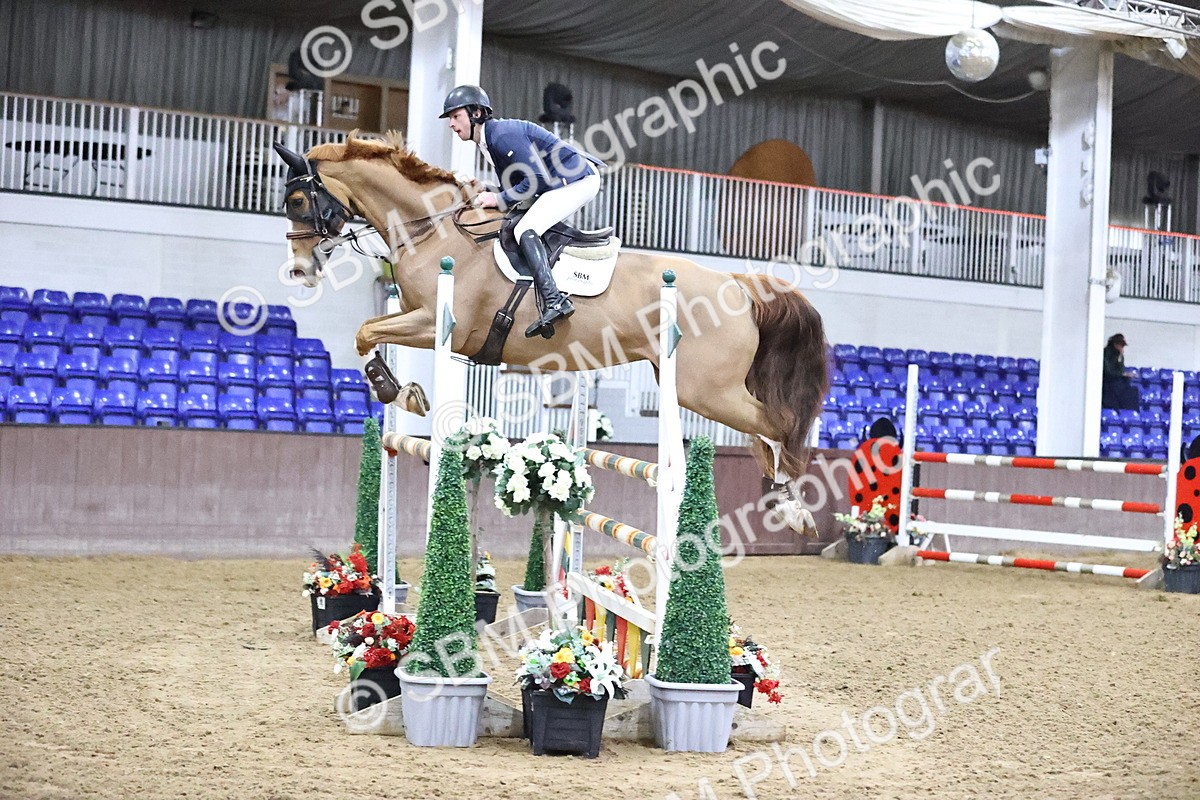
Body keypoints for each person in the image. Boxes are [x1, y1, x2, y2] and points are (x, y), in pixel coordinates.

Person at [441, 85, 604, 338]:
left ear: (475, 113)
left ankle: (555, 301)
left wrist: (497, 197)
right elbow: (517, 187)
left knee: (526, 229)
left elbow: (535, 180)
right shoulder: (489, 140)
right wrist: (488, 190)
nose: (451, 124)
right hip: (558, 181)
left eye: (455, 116)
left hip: (578, 179)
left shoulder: (501, 135)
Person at [1101, 333, 1140, 411]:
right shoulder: (1106, 353)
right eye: (1120, 345)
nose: (1122, 347)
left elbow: (1121, 369)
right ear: (1115, 344)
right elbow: (1107, 371)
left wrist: (1120, 357)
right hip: (1108, 382)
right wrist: (1122, 374)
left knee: (1132, 391)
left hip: (1117, 381)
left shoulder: (1119, 355)